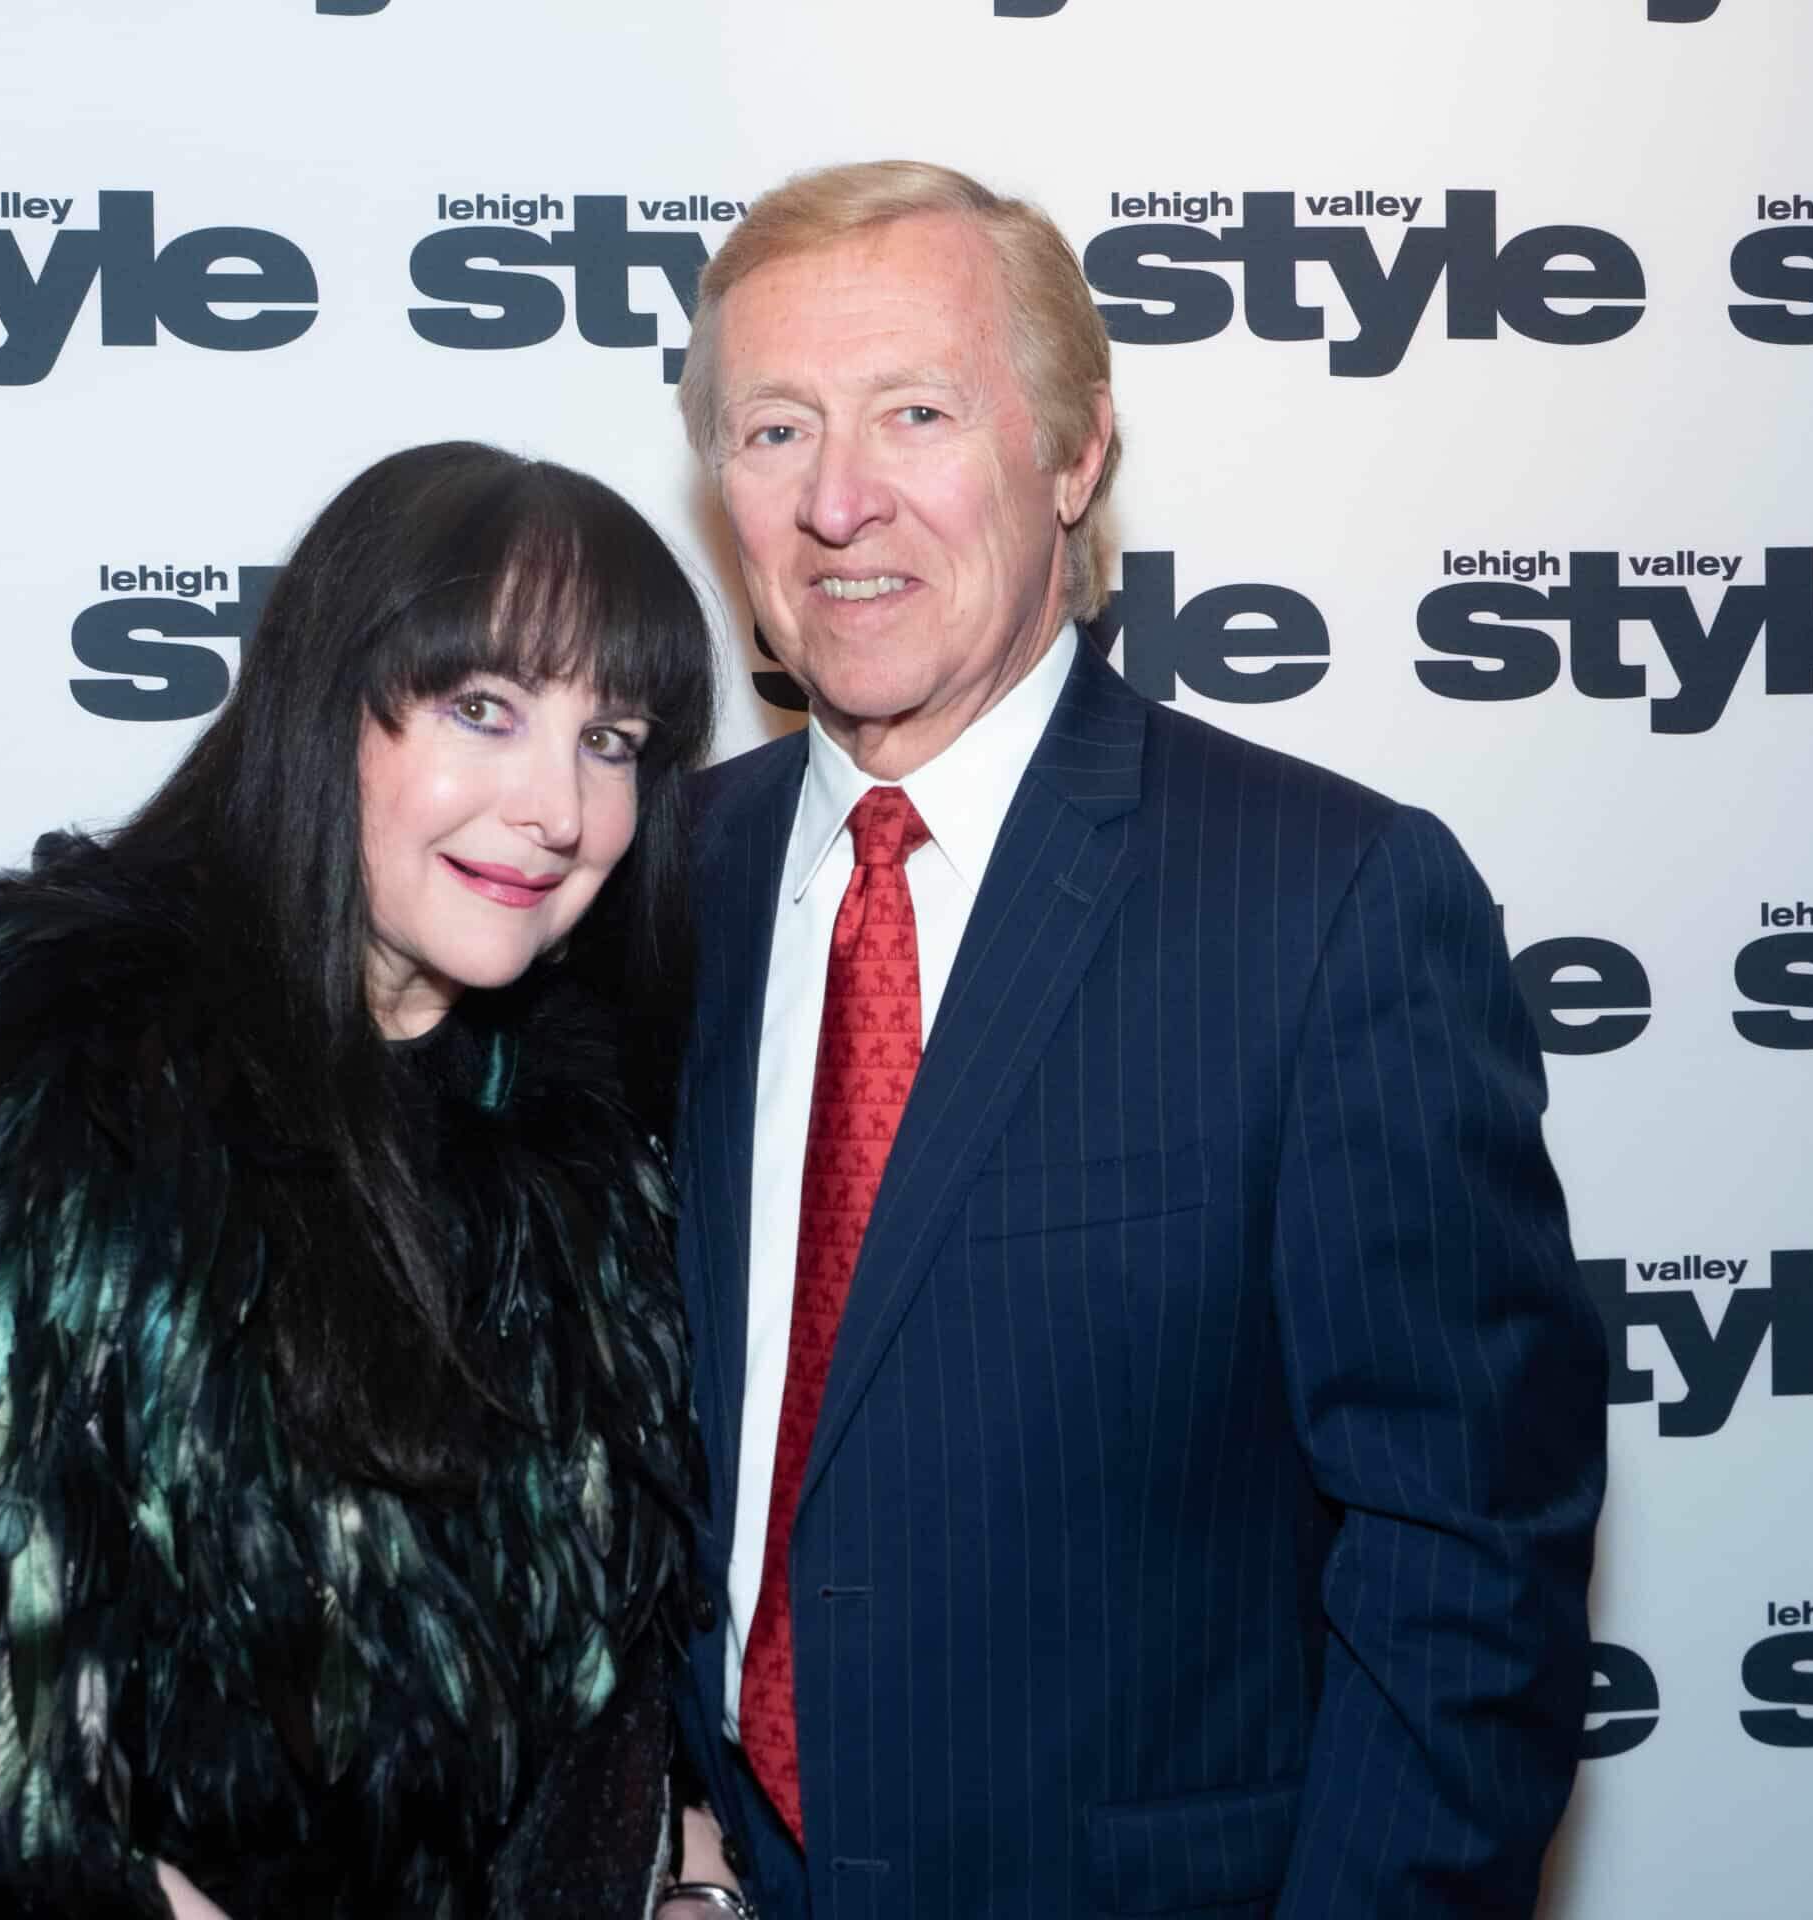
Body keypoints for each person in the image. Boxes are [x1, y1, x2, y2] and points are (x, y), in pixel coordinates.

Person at [663, 162, 1608, 1918]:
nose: (839, 501)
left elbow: (1463, 1575)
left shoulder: (1325, 905)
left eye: (916, 414)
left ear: (1075, 454)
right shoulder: (642, 892)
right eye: (774, 430)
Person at [0, 442, 719, 1920]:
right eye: (485, 710)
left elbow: (625, 1685)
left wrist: (693, 1888)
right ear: (328, 707)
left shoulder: (602, 1135)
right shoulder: (46, 1089)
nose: (558, 808)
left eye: (613, 739)